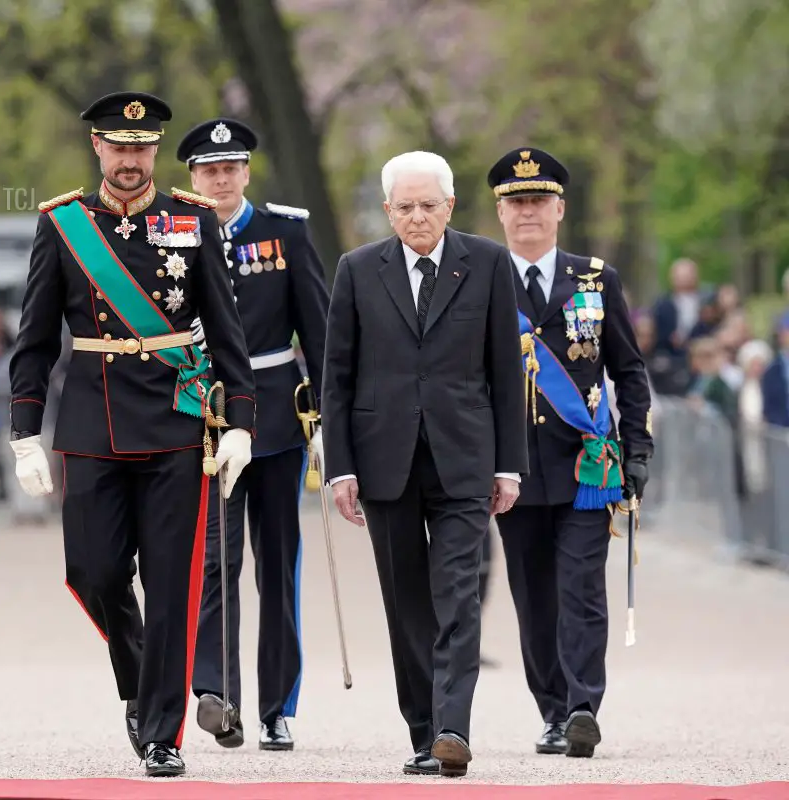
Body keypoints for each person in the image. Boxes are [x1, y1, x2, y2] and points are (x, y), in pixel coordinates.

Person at [7, 91, 257, 778]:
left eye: (141, 148)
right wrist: (24, 431)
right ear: (97, 148)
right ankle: (142, 681)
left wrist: (240, 424)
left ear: (154, 151)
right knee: (94, 572)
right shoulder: (64, 225)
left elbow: (228, 335)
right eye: (117, 147)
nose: (129, 159)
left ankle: (161, 732)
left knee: (172, 584)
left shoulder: (193, 219)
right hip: (92, 423)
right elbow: (33, 339)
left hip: (177, 426)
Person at [320, 150, 528, 778]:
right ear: (388, 211)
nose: (417, 217)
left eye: (428, 205)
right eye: (404, 207)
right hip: (385, 460)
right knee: (406, 599)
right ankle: (420, 731)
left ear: (450, 207)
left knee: (458, 591)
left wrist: (509, 466)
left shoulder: (487, 263)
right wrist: (341, 467)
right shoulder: (357, 271)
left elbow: (504, 368)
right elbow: (337, 377)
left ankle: (452, 726)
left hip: (465, 457)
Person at [486, 146, 653, 759]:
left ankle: (584, 706)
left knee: (582, 589)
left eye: (538, 201)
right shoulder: (481, 277)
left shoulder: (595, 278)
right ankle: (553, 710)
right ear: (500, 213)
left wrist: (638, 449)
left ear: (559, 208)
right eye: (515, 203)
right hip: (513, 469)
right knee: (534, 595)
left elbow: (629, 372)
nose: (527, 212)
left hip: (587, 465)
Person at [173, 117, 329, 752]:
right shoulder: (172, 233)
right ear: (191, 177)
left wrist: (326, 421)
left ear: (245, 172)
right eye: (208, 170)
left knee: (278, 565)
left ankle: (277, 704)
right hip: (205, 416)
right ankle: (217, 691)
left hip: (275, 419)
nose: (219, 177)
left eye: (230, 167)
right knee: (214, 560)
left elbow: (317, 332)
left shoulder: (282, 233)